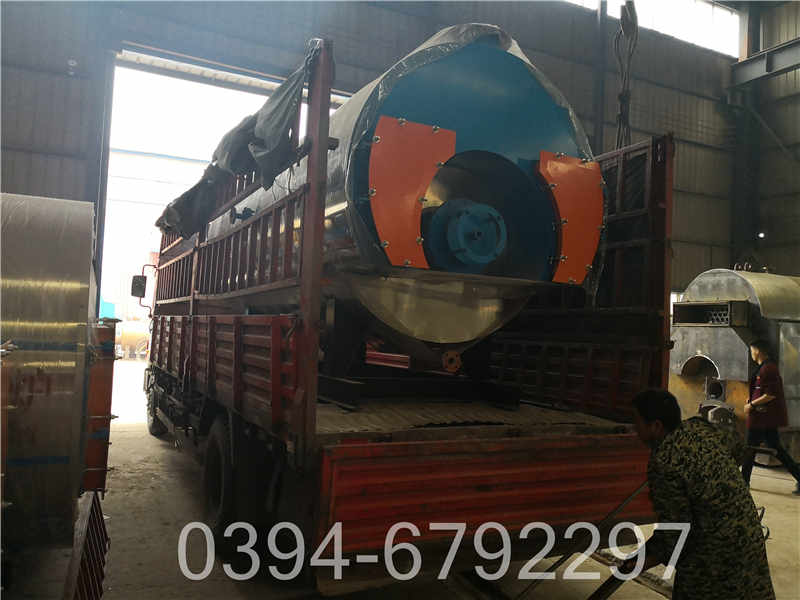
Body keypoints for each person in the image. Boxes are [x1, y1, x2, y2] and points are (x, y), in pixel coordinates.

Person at [622, 389, 775, 600]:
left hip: (714, 559)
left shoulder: (664, 461)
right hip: (749, 538)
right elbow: (739, 450)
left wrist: (640, 560)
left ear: (656, 426)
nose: (634, 428)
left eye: (636, 421)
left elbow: (676, 530)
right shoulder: (700, 427)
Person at [741, 339, 800, 495]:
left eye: (752, 350)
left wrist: (751, 405)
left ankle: (742, 483)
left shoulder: (769, 369)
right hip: (763, 418)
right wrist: (751, 399)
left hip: (762, 419)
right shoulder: (764, 368)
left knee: (749, 449)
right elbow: (761, 390)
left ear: (758, 351)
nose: (751, 353)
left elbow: (770, 394)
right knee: (776, 449)